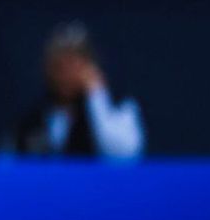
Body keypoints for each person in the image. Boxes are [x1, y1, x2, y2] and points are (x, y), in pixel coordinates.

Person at [9, 22, 144, 159]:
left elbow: (124, 155)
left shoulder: (118, 104)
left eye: (74, 65)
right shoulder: (32, 119)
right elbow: (7, 163)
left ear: (89, 66)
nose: (66, 75)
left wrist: (96, 95)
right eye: (59, 66)